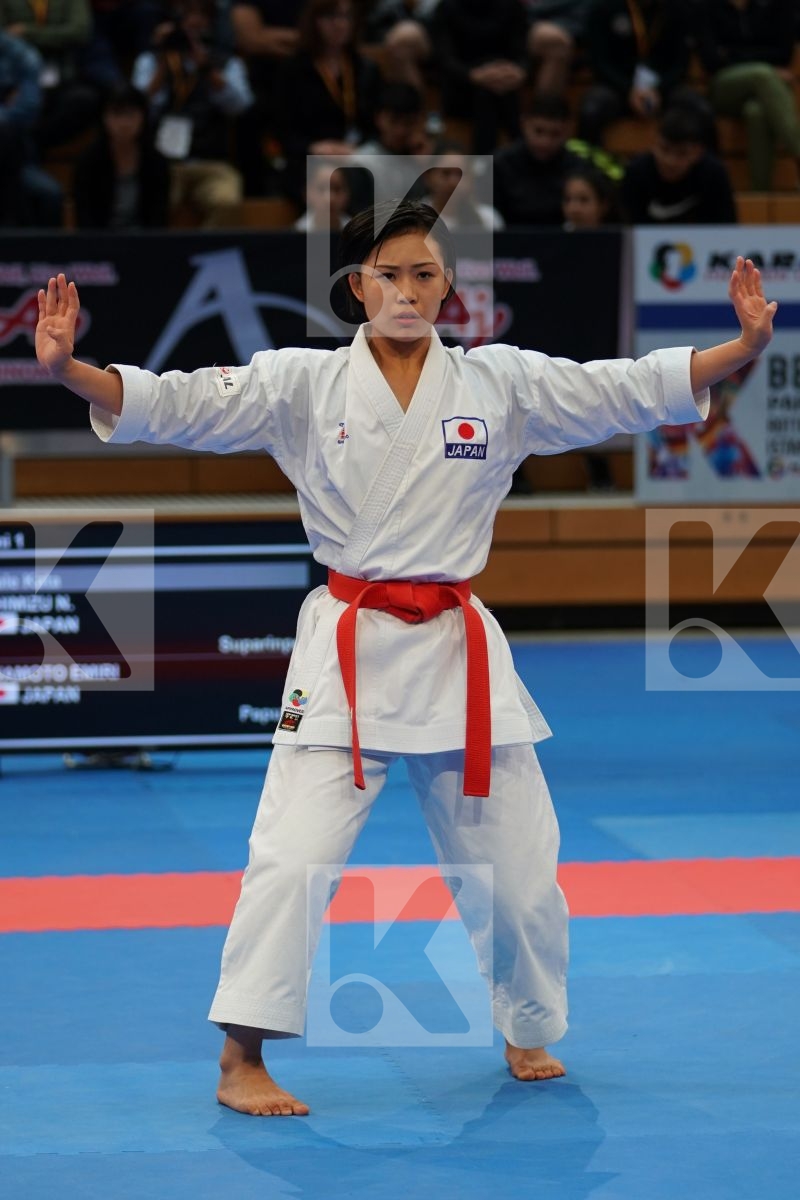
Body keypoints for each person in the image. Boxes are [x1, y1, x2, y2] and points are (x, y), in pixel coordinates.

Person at [34, 201, 776, 1117]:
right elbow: (182, 404)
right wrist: (70, 371)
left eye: (425, 275)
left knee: (521, 870)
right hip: (346, 647)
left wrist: (740, 349)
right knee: (291, 857)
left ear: (448, 287)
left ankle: (527, 1022)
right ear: (357, 287)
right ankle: (241, 1056)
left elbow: (619, 388)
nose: (407, 291)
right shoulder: (303, 383)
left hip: (460, 651)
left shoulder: (500, 383)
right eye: (389, 274)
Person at [132, 0, 253, 226]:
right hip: (163, 163)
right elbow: (135, 108)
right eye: (188, 14)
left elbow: (241, 105)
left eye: (202, 15)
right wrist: (162, 62)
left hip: (211, 161)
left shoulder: (225, 62)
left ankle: (205, 248)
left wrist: (207, 69)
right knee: (152, 202)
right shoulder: (151, 60)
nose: (195, 21)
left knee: (227, 202)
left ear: (212, 22)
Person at [272, 0, 382, 198]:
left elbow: (377, 124)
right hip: (309, 157)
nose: (339, 24)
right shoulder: (294, 69)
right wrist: (313, 147)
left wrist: (358, 148)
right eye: (331, 17)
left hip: (357, 154)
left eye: (346, 17)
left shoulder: (365, 69)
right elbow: (282, 128)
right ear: (314, 21)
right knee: (322, 180)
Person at [689, 0, 800, 191]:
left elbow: (783, 54)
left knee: (757, 112)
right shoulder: (707, 7)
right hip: (723, 87)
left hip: (763, 90)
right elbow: (711, 60)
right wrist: (762, 63)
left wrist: (732, 54)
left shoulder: (770, 6)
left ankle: (760, 195)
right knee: (762, 75)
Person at [428, 0, 529, 153]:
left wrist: (518, 72)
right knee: (489, 92)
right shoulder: (447, 7)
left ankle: (484, 161)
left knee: (492, 91)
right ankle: (521, 148)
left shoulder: (512, 6)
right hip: (461, 89)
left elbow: (522, 52)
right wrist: (473, 75)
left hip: (503, 85)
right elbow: (444, 59)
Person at [73, 82, 171, 228]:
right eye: (116, 114)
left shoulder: (157, 162)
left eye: (130, 114)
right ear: (103, 118)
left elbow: (158, 218)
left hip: (145, 239)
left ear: (143, 117)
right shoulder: (88, 162)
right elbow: (84, 219)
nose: (124, 123)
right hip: (99, 239)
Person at [621, 105, 737, 225]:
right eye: (664, 149)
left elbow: (727, 228)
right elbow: (625, 228)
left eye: (682, 153)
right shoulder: (636, 173)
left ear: (698, 152)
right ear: (654, 142)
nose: (670, 161)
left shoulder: (714, 175)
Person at [494, 91, 584, 226]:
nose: (545, 142)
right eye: (538, 131)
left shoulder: (578, 168)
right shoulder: (499, 165)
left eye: (555, 134)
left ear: (568, 130)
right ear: (524, 124)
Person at [420, 142, 505, 229]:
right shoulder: (417, 219)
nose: (453, 182)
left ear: (471, 179)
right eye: (446, 173)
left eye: (461, 174)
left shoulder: (488, 219)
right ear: (428, 177)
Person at [293, 156, 352, 229]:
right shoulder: (295, 231)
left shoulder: (358, 233)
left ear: (347, 193)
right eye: (321, 189)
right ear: (307, 193)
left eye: (337, 189)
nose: (330, 198)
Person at [561, 160, 621, 228]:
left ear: (604, 205)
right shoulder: (558, 233)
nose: (573, 209)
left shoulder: (623, 233)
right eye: (567, 200)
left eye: (583, 200)